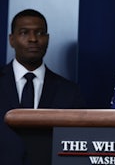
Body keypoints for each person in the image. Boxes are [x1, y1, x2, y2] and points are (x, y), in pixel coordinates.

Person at [0, 9, 86, 165]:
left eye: (39, 33)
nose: (33, 39)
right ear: (11, 39)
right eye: (24, 33)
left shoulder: (69, 92)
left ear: (47, 39)